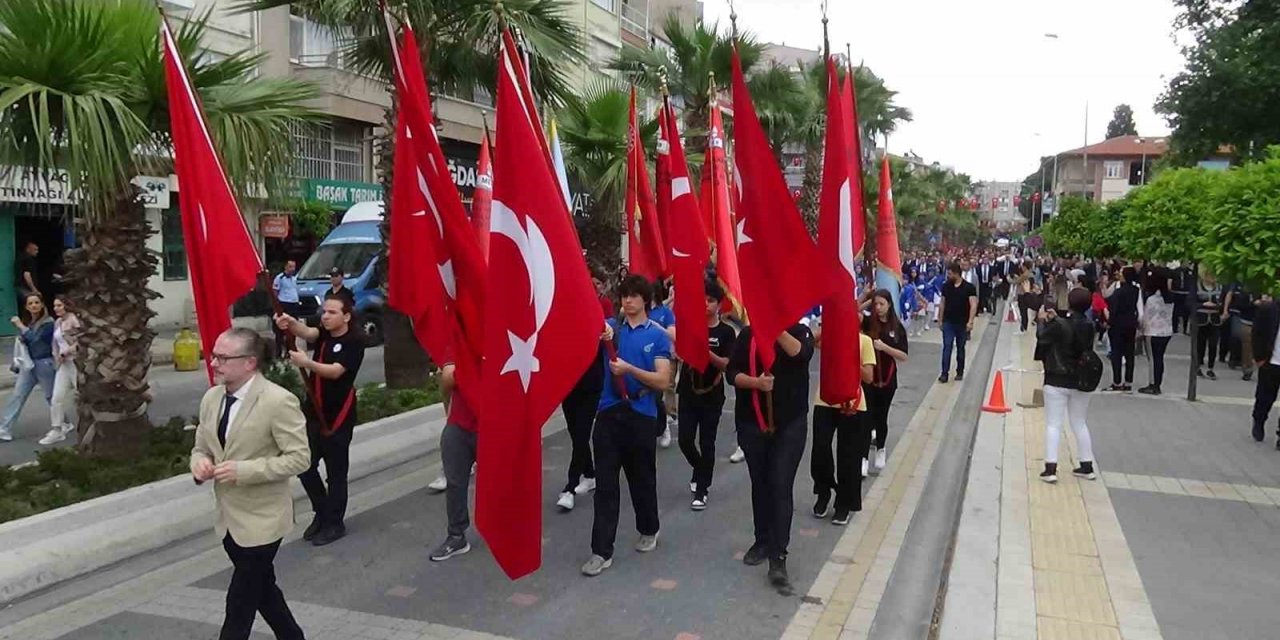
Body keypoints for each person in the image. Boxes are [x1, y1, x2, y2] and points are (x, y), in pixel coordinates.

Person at [189, 328, 309, 640]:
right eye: (214, 355)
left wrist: (246, 471)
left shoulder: (278, 401)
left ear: (250, 363)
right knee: (263, 591)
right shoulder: (212, 398)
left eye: (223, 357)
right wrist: (199, 464)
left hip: (264, 520)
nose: (214, 363)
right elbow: (200, 447)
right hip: (228, 520)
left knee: (239, 603)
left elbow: (299, 458)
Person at [582, 275, 672, 577]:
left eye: (634, 296)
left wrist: (630, 369)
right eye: (624, 296)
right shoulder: (612, 331)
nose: (628, 301)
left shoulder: (657, 336)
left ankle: (649, 527)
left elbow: (663, 380)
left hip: (641, 413)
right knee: (606, 485)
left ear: (645, 300)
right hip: (608, 413)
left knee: (641, 478)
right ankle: (600, 550)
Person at [728, 320, 815, 592]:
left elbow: (801, 353)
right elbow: (732, 373)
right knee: (761, 483)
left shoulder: (801, 331)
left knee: (780, 484)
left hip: (790, 424)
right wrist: (756, 382)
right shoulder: (746, 335)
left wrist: (773, 326)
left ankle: (779, 556)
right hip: (753, 422)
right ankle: (762, 539)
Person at [274, 293, 365, 547]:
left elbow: (336, 372)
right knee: (304, 463)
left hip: (338, 414)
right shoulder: (324, 333)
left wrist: (307, 362)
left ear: (346, 316)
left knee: (336, 473)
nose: (325, 316)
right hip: (314, 411)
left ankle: (335, 523)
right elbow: (308, 332)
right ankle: (322, 510)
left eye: (332, 312)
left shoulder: (354, 341)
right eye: (324, 311)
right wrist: (288, 322)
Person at [809, 313, 876, 527]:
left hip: (853, 403)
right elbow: (809, 341)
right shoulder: (828, 338)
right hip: (825, 400)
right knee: (820, 451)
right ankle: (823, 491)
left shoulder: (864, 341)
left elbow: (869, 376)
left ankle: (844, 503)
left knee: (848, 456)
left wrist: (849, 353)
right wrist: (829, 329)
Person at [675, 281, 736, 511]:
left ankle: (702, 489)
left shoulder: (726, 332)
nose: (705, 304)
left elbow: (727, 365)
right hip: (689, 392)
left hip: (711, 393)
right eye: (703, 299)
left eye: (710, 300)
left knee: (707, 441)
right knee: (684, 439)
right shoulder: (691, 326)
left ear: (719, 304)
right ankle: (700, 468)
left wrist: (706, 352)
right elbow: (679, 352)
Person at [1035, 289, 1097, 483]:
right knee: (1079, 422)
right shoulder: (1090, 325)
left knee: (1054, 424)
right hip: (1081, 379)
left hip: (1056, 379)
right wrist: (1057, 318)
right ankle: (1087, 466)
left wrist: (1042, 320)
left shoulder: (1059, 325)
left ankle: (1051, 468)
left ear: (1069, 302)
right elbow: (1073, 326)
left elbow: (1042, 339)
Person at [428, 362, 479, 561]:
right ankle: (456, 535)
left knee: (501, 482)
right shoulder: (459, 341)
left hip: (493, 425)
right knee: (455, 482)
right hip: (459, 425)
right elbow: (447, 379)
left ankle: (508, 530)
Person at [0, 293, 56, 442]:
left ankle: (63, 423)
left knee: (51, 396)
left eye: (36, 302)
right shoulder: (30, 323)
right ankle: (4, 429)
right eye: (30, 303)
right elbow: (26, 341)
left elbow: (36, 340)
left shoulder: (48, 323)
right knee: (18, 395)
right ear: (26, 307)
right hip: (29, 365)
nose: (34, 306)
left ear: (42, 305)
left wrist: (20, 326)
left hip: (44, 363)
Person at [865, 290, 910, 471]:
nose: (878, 308)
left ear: (889, 304)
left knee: (880, 417)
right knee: (866, 418)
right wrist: (866, 299)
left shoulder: (896, 328)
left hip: (887, 380)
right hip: (869, 377)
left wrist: (885, 347)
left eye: (881, 304)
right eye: (875, 304)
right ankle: (863, 459)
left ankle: (881, 448)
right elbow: (853, 313)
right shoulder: (869, 323)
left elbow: (903, 356)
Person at [557, 343, 605, 512]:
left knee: (581, 436)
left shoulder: (596, 322)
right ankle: (590, 473)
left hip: (590, 386)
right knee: (575, 433)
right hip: (568, 386)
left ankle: (570, 487)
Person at [38, 296, 81, 445]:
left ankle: (95, 425)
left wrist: (67, 352)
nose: (56, 308)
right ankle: (57, 429)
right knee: (56, 398)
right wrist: (56, 356)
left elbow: (81, 340)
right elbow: (55, 343)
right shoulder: (58, 322)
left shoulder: (73, 320)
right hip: (63, 365)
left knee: (81, 395)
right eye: (55, 306)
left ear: (67, 306)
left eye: (59, 305)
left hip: (75, 363)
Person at [648, 279, 677, 449]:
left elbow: (672, 335)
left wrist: (655, 327)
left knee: (658, 395)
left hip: (661, 358)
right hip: (643, 359)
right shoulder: (640, 311)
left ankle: (664, 426)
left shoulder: (665, 312)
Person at [937, 262, 977, 383]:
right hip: (948, 322)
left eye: (949, 274)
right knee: (947, 346)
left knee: (960, 348)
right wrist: (940, 319)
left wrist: (970, 321)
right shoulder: (946, 286)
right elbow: (942, 303)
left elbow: (973, 305)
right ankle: (944, 373)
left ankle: (960, 371)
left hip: (962, 323)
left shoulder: (969, 287)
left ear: (956, 273)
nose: (948, 276)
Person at [1249, 296, 1280, 446]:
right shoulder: (1269, 309)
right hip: (1271, 361)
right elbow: (1257, 333)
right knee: (1265, 397)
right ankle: (1259, 420)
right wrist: (1259, 357)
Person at [1105, 267, 1141, 392]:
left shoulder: (1118, 292)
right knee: (1129, 353)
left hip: (1118, 325)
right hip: (1131, 324)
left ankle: (1117, 381)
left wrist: (1109, 322)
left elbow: (1113, 310)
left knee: (1117, 354)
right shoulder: (1136, 290)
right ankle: (1128, 381)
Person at [1138, 269, 1174, 396]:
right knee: (1160, 358)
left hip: (1153, 332)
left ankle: (1153, 384)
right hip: (1166, 331)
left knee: (1153, 359)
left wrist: (1141, 329)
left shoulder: (1152, 299)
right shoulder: (1170, 298)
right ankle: (1157, 383)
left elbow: (1145, 317)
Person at [1192, 267, 1223, 380]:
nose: (1212, 278)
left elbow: (1223, 302)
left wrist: (1218, 307)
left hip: (1214, 319)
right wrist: (1203, 304)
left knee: (1213, 344)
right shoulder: (1198, 285)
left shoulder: (1219, 286)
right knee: (1200, 344)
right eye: (1209, 276)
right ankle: (1198, 366)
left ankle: (1211, 368)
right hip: (1201, 319)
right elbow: (1191, 302)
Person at [272, 260, 301, 358]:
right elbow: (275, 292)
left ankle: (290, 351)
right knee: (280, 330)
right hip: (284, 304)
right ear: (285, 267)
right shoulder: (279, 278)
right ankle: (278, 353)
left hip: (294, 305)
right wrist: (277, 307)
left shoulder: (295, 278)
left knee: (293, 329)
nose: (292, 269)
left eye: (294, 267)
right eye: (290, 267)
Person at [14, 240, 40, 305]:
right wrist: (34, 289)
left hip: (19, 286)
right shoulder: (28, 259)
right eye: (35, 250)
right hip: (25, 288)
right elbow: (27, 275)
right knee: (34, 304)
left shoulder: (19, 258)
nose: (37, 252)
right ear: (28, 249)